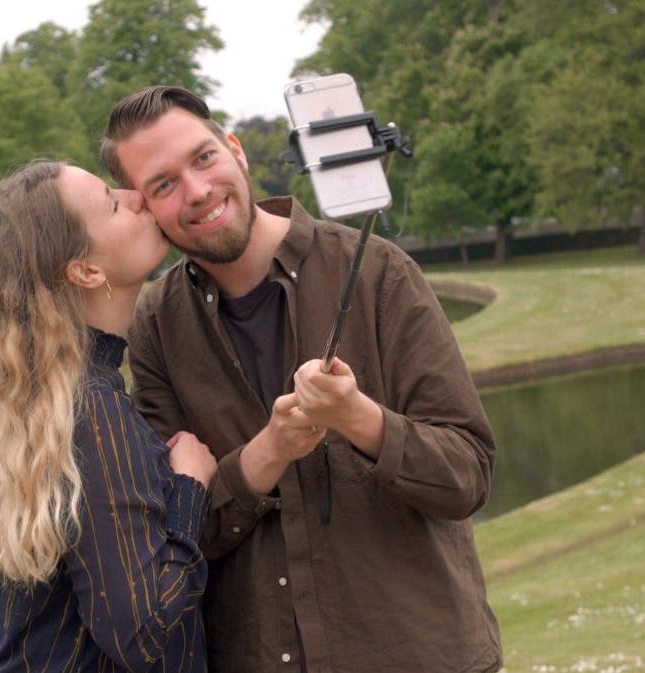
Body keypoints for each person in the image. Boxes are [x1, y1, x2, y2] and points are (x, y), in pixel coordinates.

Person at [100, 86, 502, 673]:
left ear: (235, 151)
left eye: (203, 158)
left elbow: (467, 477)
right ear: (145, 208)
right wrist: (269, 452)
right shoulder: (155, 327)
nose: (197, 191)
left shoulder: (378, 272)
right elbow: (173, 536)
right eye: (163, 185)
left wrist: (358, 418)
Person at [0, 159, 217, 673]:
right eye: (113, 202)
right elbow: (141, 635)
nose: (137, 194)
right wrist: (190, 487)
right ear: (86, 270)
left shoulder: (19, 404)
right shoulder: (91, 410)